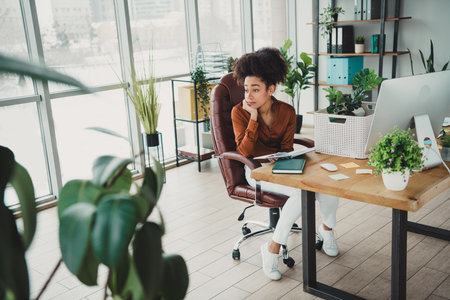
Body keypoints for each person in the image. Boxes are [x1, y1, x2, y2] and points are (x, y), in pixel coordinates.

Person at [231, 47, 339, 281]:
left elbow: (287, 147)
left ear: (271, 89)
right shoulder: (239, 112)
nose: (249, 95)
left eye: (256, 89)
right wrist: (253, 117)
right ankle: (271, 249)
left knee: (327, 182)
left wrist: (280, 155)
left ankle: (327, 230)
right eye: (247, 89)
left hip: (280, 166)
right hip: (256, 171)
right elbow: (245, 151)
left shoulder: (287, 112)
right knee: (302, 194)